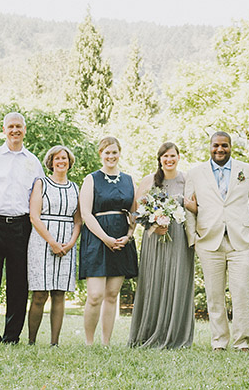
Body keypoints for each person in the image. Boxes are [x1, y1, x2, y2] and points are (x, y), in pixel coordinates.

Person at [0, 112, 44, 344]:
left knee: (18, 283)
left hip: (21, 227)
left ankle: (12, 336)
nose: (15, 130)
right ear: (4, 130)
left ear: (25, 129)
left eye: (19, 126)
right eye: (11, 126)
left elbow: (39, 195)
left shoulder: (33, 162)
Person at [184, 131, 249, 351]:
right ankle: (219, 341)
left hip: (242, 242)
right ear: (209, 147)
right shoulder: (196, 173)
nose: (220, 149)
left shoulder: (247, 171)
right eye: (216, 145)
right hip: (208, 241)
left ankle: (241, 342)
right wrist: (194, 240)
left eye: (224, 145)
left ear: (230, 147)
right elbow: (190, 209)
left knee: (242, 293)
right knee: (214, 295)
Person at [128, 142, 195, 349]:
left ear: (178, 157)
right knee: (153, 283)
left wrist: (184, 202)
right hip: (154, 239)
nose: (169, 160)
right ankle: (147, 332)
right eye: (165, 156)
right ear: (160, 159)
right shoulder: (150, 180)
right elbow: (136, 213)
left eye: (172, 156)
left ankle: (175, 335)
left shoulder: (187, 180)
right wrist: (154, 226)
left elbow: (196, 207)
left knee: (177, 283)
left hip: (179, 239)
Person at [78, 136, 138, 346]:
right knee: (95, 295)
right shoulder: (91, 179)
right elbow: (85, 213)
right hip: (97, 240)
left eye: (114, 152)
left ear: (119, 153)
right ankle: (89, 342)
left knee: (112, 294)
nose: (111, 156)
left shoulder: (129, 180)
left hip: (121, 240)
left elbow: (134, 214)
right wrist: (105, 238)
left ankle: (106, 343)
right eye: (107, 152)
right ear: (101, 155)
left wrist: (128, 236)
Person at [27, 145, 81, 346]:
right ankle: (32, 341)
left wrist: (70, 243)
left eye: (64, 158)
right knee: (40, 293)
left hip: (67, 242)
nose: (61, 161)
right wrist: (52, 241)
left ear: (69, 162)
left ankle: (54, 343)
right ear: (51, 162)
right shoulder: (41, 183)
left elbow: (78, 220)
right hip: (43, 240)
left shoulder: (76, 188)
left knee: (59, 293)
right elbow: (34, 215)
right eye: (57, 158)